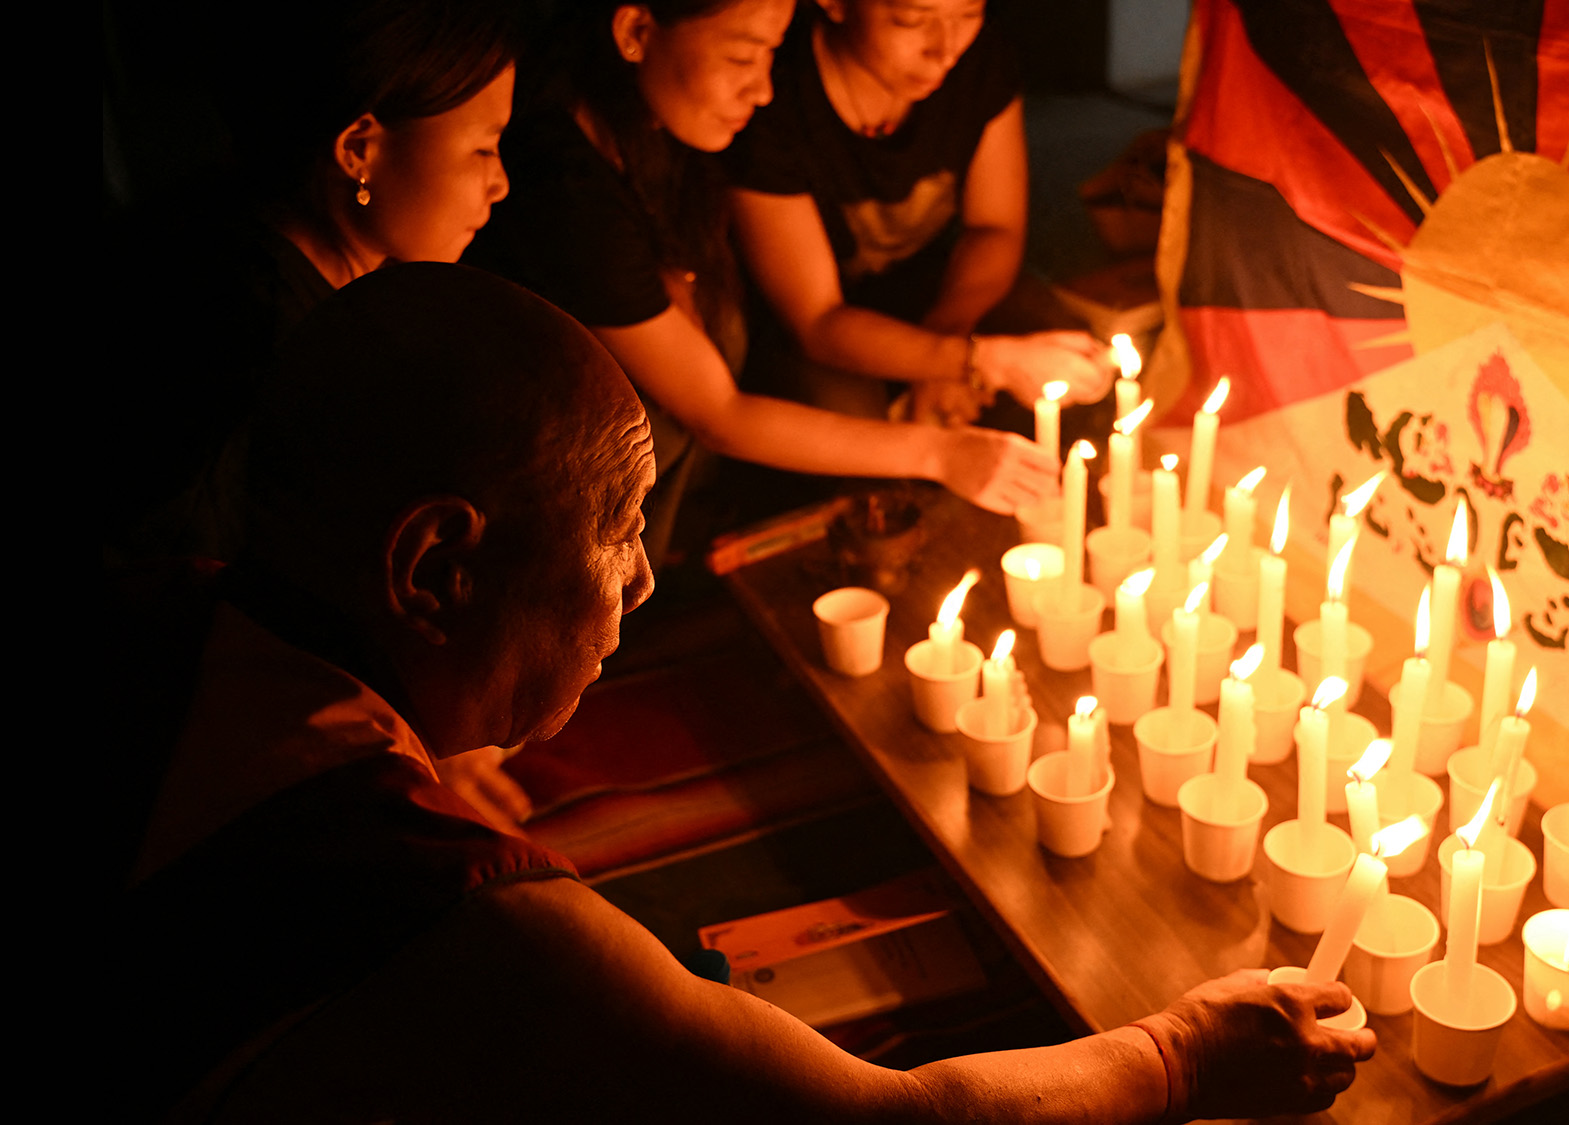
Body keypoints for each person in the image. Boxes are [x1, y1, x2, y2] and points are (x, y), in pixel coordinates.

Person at [116, 263, 1374, 1122]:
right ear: (435, 568)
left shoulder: (162, 602)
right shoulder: (456, 918)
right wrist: (1175, 1054)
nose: (644, 586)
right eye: (614, 530)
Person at [467, 0, 1087, 561]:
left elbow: (997, 229)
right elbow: (720, 409)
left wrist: (962, 362)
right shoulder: (566, 186)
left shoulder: (657, 130)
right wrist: (944, 450)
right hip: (518, 458)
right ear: (635, 29)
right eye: (742, 56)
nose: (764, 90)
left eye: (771, 54)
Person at [106, 0, 519, 562]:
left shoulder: (331, 296)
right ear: (359, 149)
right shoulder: (256, 343)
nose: (500, 185)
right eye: (483, 148)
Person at [727, 0, 1098, 427]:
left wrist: (948, 340)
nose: (945, 49)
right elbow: (817, 321)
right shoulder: (773, 95)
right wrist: (972, 362)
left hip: (925, 284)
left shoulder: (977, 63)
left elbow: (994, 228)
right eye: (912, 20)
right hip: (802, 318)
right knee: (845, 411)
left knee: (1063, 343)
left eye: (967, 16)